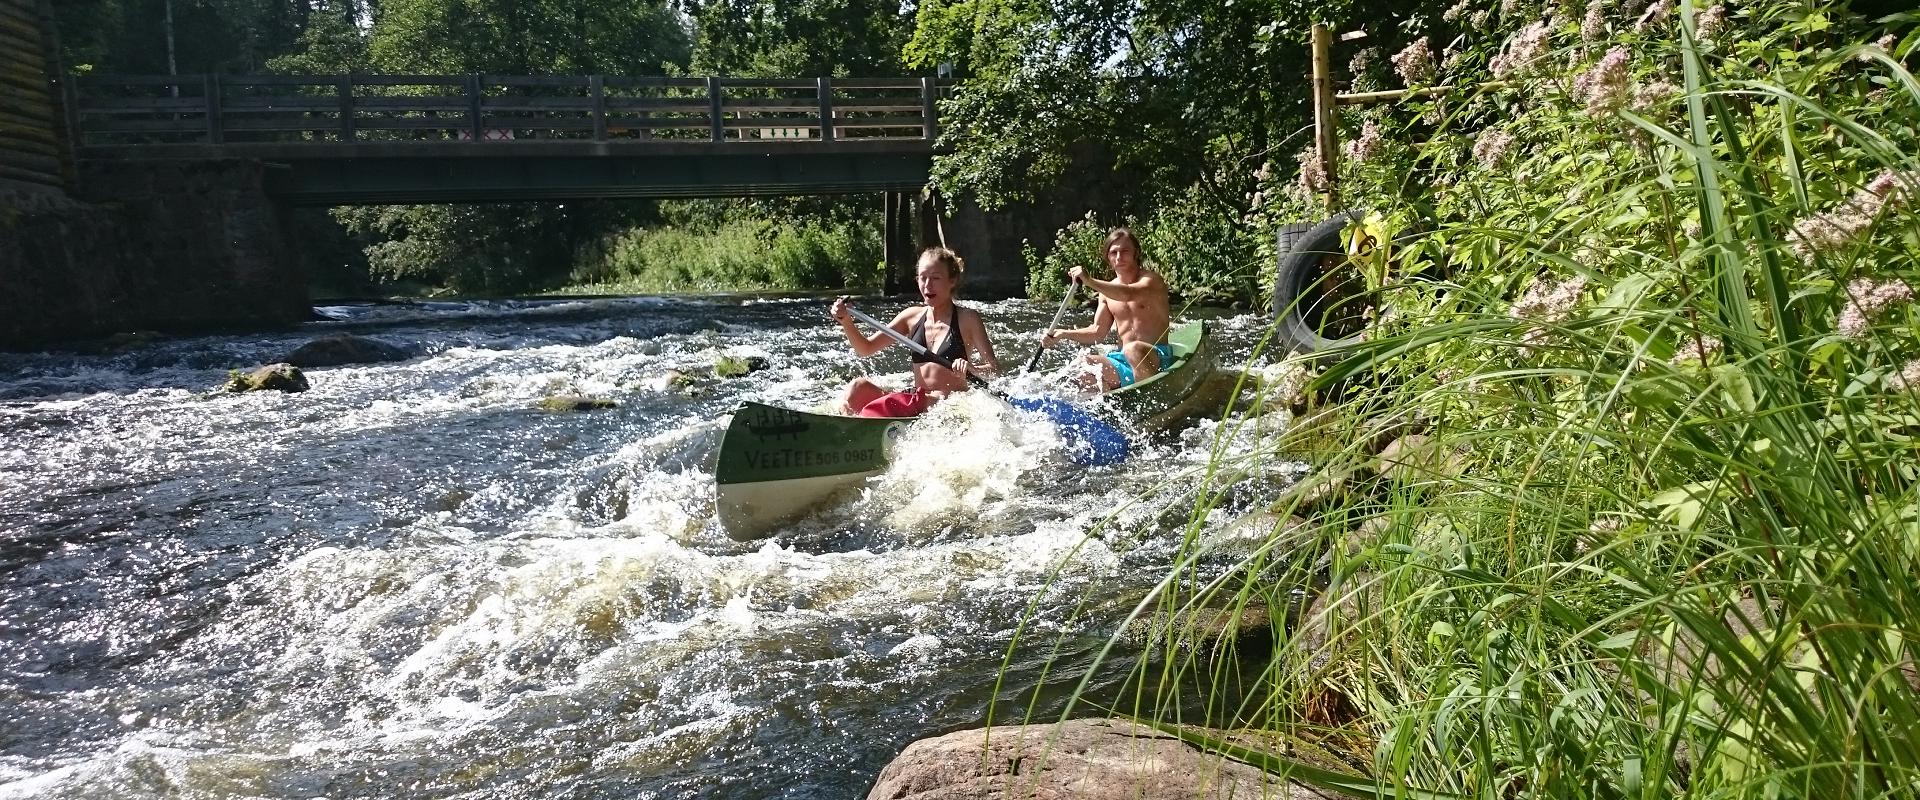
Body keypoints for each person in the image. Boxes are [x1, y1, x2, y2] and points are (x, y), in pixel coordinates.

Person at [830, 246, 1001, 417]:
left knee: (911, 400)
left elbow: (994, 369)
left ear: (952, 280)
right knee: (857, 388)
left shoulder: (968, 319)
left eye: (935, 278)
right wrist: (846, 321)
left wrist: (972, 369)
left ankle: (866, 420)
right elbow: (865, 349)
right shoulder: (910, 317)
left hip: (945, 405)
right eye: (923, 278)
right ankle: (846, 425)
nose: (928, 285)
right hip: (915, 400)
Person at [1041, 228, 1171, 392]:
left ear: (1135, 253)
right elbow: (1097, 332)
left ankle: (1147, 399)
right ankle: (1110, 405)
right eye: (1113, 252)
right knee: (1082, 365)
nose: (1118, 257)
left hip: (1156, 357)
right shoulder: (1106, 294)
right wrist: (1063, 334)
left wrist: (1088, 280)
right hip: (1123, 360)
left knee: (1133, 348)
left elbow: (1128, 294)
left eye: (1124, 251)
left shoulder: (1151, 281)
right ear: (1108, 257)